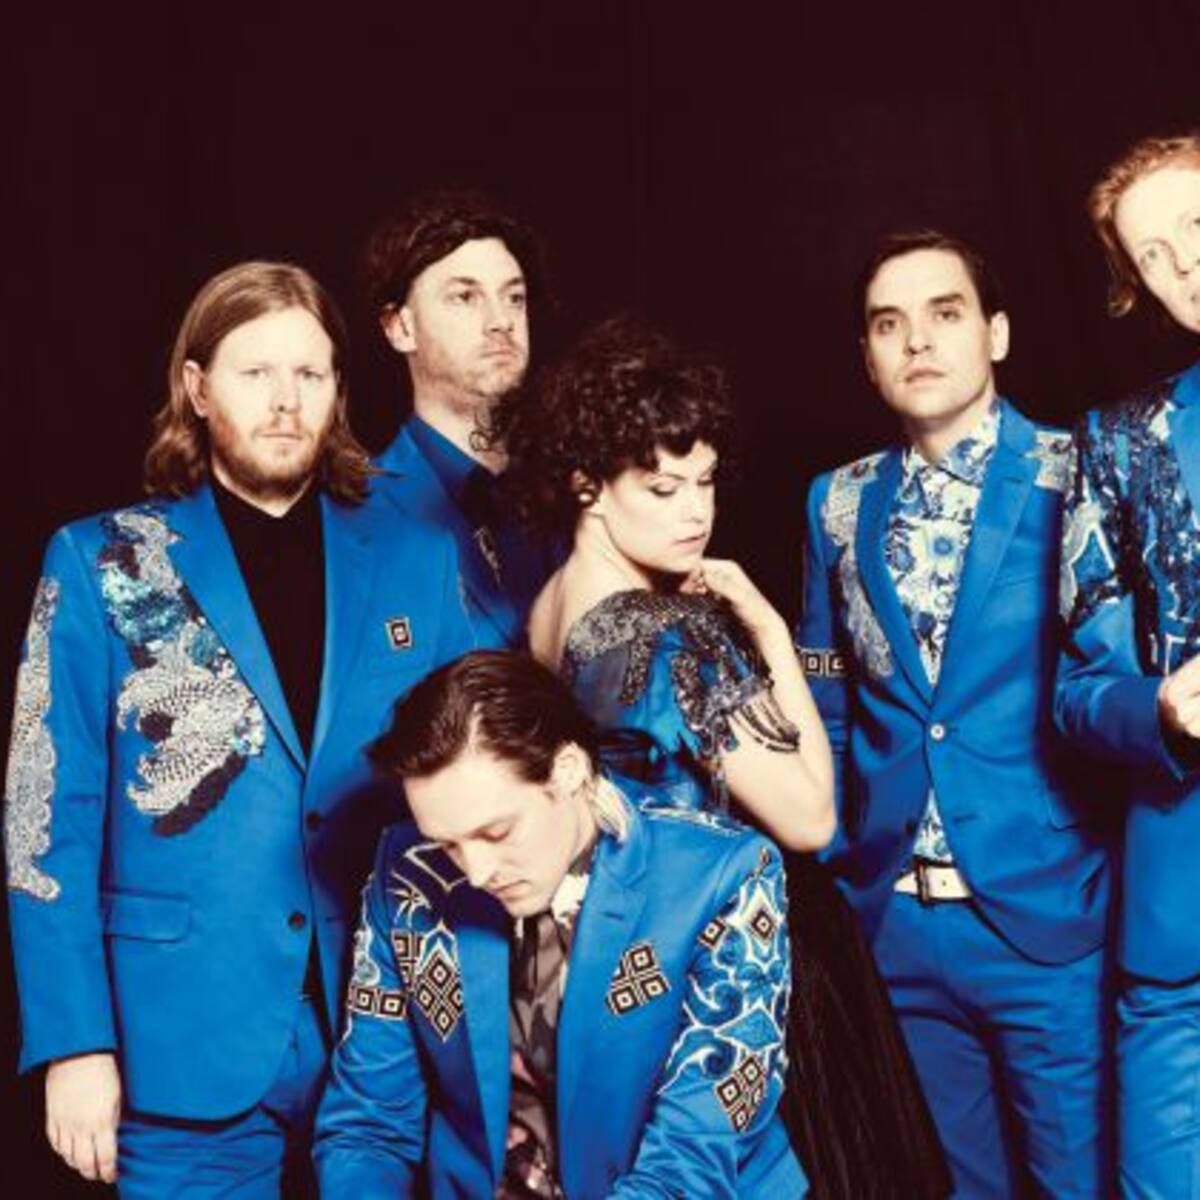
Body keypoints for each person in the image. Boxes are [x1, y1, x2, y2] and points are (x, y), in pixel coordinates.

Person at [3, 261, 484, 1197]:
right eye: (255, 372)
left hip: (385, 1039)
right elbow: (43, 815)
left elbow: (477, 767)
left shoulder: (418, 558)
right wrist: (73, 1043)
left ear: (338, 390)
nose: (285, 401)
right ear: (197, 387)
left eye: (309, 374)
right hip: (178, 1041)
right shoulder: (101, 560)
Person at [488, 315, 951, 1199]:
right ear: (587, 484)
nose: (696, 512)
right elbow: (811, 819)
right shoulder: (670, 635)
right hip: (746, 953)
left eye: (704, 482)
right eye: (663, 488)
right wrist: (772, 633)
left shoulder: (550, 606)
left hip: (638, 960)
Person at [797, 230, 1113, 1197]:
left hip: (1045, 916)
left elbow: (1105, 683)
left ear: (996, 333)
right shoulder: (836, 501)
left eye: (945, 314)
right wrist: (847, 859)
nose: (917, 342)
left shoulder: (1077, 470)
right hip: (896, 917)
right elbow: (829, 698)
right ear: (867, 356)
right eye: (888, 324)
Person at [314, 649, 806, 1198]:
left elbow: (689, 1164)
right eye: (446, 843)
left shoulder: (722, 875)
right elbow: (369, 1125)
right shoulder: (408, 873)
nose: (475, 872)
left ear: (567, 770)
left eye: (497, 833)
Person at [1057, 132, 1200, 1197]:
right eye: (1153, 254)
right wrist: (1161, 706)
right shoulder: (1118, 442)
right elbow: (1077, 693)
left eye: (1196, 226)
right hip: (1183, 937)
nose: (1184, 263)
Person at [359, 189, 559, 646]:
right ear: (400, 328)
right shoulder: (358, 515)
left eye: (514, 297)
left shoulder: (579, 486)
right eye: (465, 297)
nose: (501, 321)